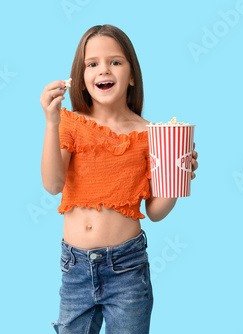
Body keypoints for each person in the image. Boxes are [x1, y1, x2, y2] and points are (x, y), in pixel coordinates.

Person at [40, 24, 198, 334]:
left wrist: (178, 175)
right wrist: (51, 122)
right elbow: (53, 184)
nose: (104, 69)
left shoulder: (154, 134)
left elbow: (155, 212)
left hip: (127, 268)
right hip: (75, 268)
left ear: (132, 75)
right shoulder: (71, 123)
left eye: (115, 61)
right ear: (82, 78)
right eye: (92, 63)